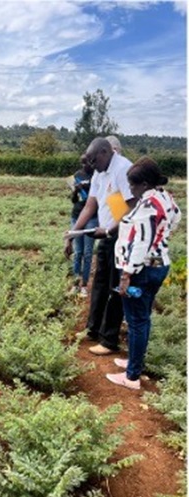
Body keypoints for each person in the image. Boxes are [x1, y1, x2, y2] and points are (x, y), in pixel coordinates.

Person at [106, 157, 181, 390]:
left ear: (145, 184)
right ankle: (134, 363)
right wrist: (163, 233)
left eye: (133, 185)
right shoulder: (164, 197)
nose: (130, 189)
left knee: (137, 320)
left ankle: (132, 377)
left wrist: (127, 275)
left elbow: (140, 242)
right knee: (143, 318)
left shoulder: (147, 207)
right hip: (159, 265)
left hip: (143, 269)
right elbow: (176, 218)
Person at [65, 137, 135, 356]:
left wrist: (109, 230)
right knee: (100, 284)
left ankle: (109, 339)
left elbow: (131, 206)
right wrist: (72, 233)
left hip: (121, 235)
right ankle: (93, 330)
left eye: (94, 160)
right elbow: (89, 205)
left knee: (115, 286)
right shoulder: (99, 171)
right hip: (105, 234)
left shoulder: (123, 168)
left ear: (106, 152)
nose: (92, 166)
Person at [69, 155, 96, 298]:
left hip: (92, 218)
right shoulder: (77, 176)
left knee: (87, 253)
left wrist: (88, 187)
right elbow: (74, 200)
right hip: (77, 215)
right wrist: (75, 190)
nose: (86, 165)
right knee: (78, 252)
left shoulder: (98, 176)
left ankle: (84, 285)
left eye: (88, 162)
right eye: (83, 163)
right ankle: (75, 283)